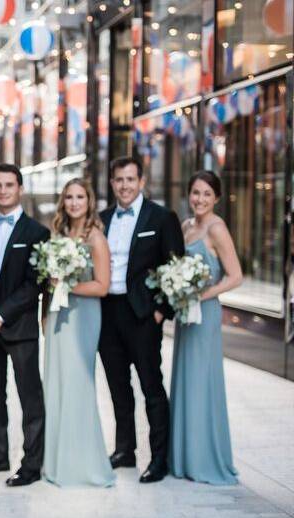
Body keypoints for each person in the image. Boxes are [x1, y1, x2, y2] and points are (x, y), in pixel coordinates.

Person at [98, 156, 185, 483]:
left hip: (143, 316)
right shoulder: (102, 219)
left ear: (142, 181)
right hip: (108, 311)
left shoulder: (162, 218)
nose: (124, 185)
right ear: (112, 182)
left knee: (151, 387)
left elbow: (176, 267)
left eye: (130, 179)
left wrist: (162, 311)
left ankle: (158, 459)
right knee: (118, 388)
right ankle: (125, 450)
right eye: (119, 179)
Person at [0, 163, 50, 487]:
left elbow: (35, 284)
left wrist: (1, 314)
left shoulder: (38, 234)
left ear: (20, 189)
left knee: (30, 397)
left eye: (9, 185)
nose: (3, 190)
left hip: (20, 329)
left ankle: (31, 465)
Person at [168, 171, 242, 485]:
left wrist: (201, 294)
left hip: (205, 313)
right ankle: (183, 458)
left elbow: (235, 275)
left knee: (202, 382)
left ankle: (203, 459)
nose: (199, 199)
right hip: (186, 315)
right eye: (195, 193)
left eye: (206, 195)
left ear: (217, 198)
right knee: (184, 380)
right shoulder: (186, 226)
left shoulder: (217, 228)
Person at [42, 178, 115, 487]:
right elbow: (49, 281)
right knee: (57, 383)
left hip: (84, 316)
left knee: (78, 383)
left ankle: (84, 464)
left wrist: (67, 286)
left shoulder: (95, 237)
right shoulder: (58, 234)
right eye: (69, 197)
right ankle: (58, 462)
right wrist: (46, 315)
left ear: (89, 201)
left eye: (80, 197)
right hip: (58, 315)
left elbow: (103, 286)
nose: (74, 202)